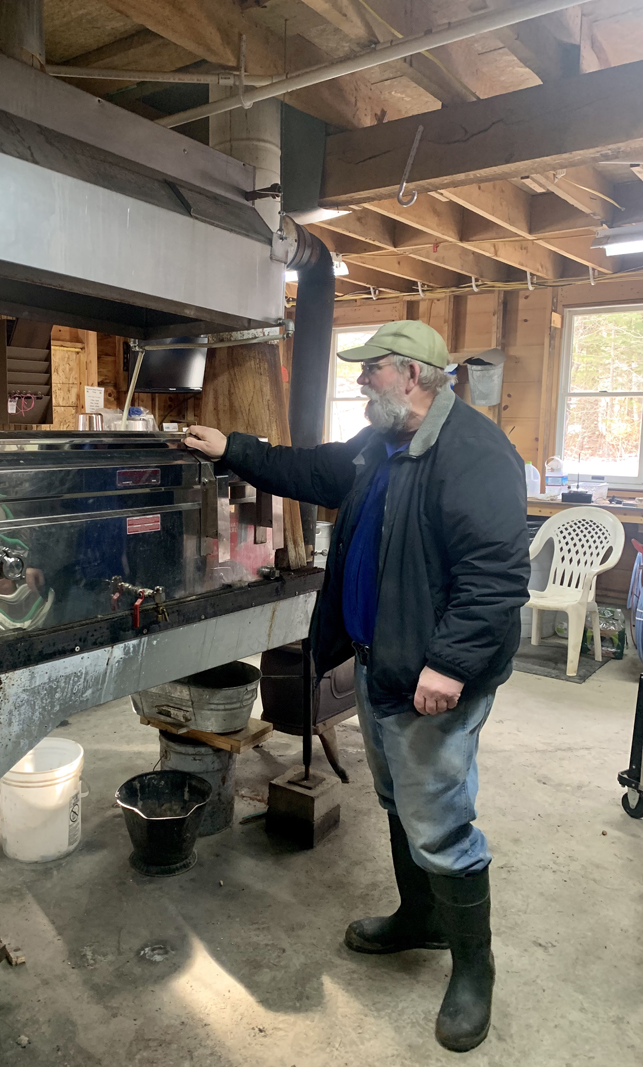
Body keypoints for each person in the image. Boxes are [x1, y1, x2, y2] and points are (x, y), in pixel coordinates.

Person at [185, 320, 530, 1052]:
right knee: (399, 800)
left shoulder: (474, 453)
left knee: (440, 816)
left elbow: (497, 578)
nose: (360, 381)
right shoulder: (380, 445)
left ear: (410, 372)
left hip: (433, 675)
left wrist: (452, 664)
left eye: (370, 370)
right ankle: (420, 917)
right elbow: (311, 471)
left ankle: (476, 968)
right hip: (382, 662)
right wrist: (234, 450)